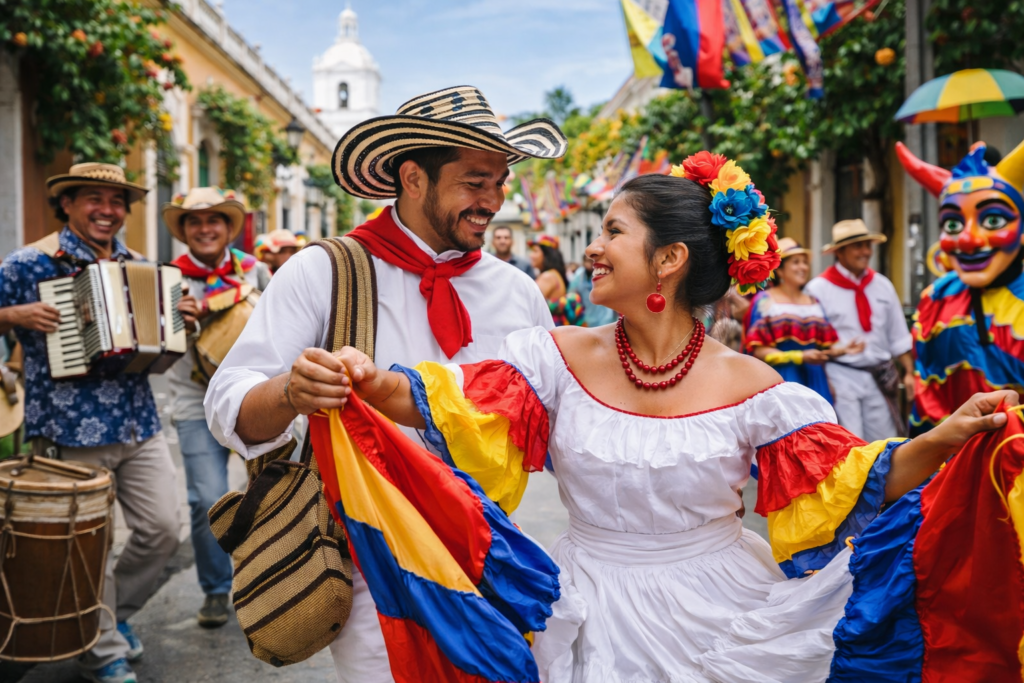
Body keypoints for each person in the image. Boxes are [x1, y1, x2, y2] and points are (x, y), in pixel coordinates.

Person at [325, 154, 1015, 682]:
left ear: (669, 260)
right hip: (585, 605)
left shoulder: (754, 385)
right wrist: (362, 376)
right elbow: (446, 400)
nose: (592, 248)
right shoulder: (551, 358)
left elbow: (855, 476)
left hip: (723, 608)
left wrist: (950, 433)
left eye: (613, 232)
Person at [204, 85, 567, 683]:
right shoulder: (326, 269)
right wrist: (291, 392)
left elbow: (549, 417)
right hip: (370, 560)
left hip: (492, 550)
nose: (494, 200)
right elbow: (228, 403)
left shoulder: (518, 291)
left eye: (501, 182)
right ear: (413, 177)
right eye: (476, 181)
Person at [0, 163, 180, 683]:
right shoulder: (28, 264)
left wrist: (178, 320)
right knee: (90, 548)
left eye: (117, 201)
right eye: (94, 199)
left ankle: (107, 618)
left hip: (137, 422)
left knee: (162, 530)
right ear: (69, 205)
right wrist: (16, 316)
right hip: (68, 426)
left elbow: (159, 347)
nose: (108, 210)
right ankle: (103, 652)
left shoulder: (139, 264)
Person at [161, 187, 270, 628]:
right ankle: (215, 589)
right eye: (194, 222)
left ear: (228, 227)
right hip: (192, 399)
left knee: (267, 491)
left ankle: (267, 576)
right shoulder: (167, 278)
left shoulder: (255, 271)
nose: (204, 229)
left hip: (253, 397)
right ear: (185, 231)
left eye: (214, 221)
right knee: (206, 498)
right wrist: (175, 325)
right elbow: (156, 351)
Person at [897, 140, 1024, 434]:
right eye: (953, 224)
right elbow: (929, 402)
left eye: (992, 220)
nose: (968, 240)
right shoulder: (936, 300)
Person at [804, 219, 914, 439]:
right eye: (858, 246)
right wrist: (824, 382)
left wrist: (910, 373)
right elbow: (812, 341)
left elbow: (898, 336)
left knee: (886, 442)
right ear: (840, 252)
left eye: (867, 246)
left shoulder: (883, 285)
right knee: (850, 442)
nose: (865, 252)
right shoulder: (818, 290)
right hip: (839, 374)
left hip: (879, 375)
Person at [744, 237, 864, 403]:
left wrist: (844, 349)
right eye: (796, 262)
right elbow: (758, 351)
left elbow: (824, 348)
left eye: (805, 262)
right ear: (780, 270)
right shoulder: (766, 301)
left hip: (816, 379)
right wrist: (800, 356)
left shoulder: (813, 302)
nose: (803, 267)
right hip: (783, 379)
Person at [530, 234, 582, 326]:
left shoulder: (548, 276)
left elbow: (530, 306)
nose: (531, 255)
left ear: (547, 255)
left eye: (535, 251)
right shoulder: (554, 274)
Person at [568, 253, 617, 327]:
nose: (590, 263)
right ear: (583, 262)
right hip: (587, 317)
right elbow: (572, 294)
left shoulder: (602, 272)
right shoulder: (579, 275)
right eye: (587, 261)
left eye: (592, 261)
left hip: (605, 317)